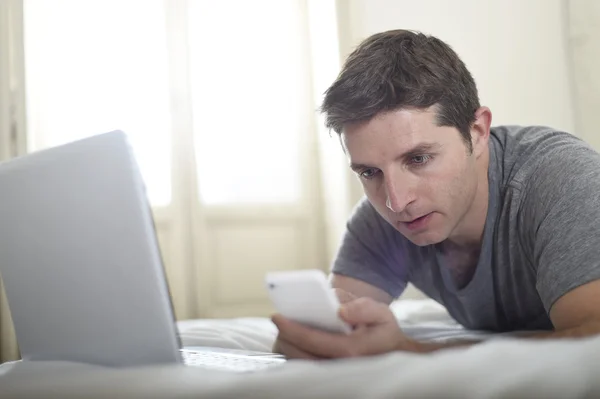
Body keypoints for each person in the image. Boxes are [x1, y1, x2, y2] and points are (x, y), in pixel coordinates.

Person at [271, 29, 600, 359]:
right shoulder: (378, 218)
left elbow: (593, 341)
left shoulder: (563, 181)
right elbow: (339, 325)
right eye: (370, 172)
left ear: (478, 132)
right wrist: (317, 340)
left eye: (418, 159)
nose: (396, 202)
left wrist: (411, 350)